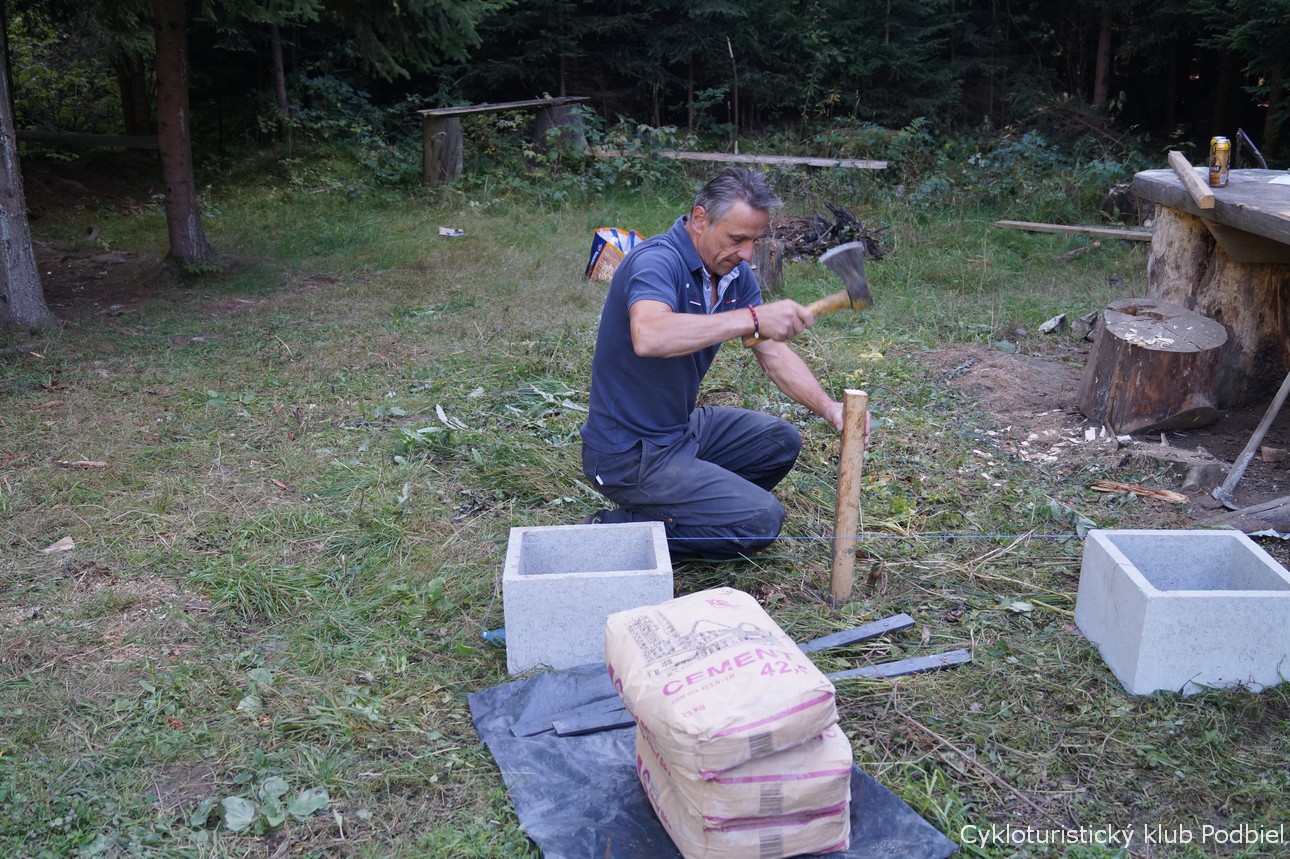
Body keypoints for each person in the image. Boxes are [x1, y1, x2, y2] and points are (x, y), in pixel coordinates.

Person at [579, 167, 869, 560]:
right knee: (760, 521)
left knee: (779, 442)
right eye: (737, 239)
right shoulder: (656, 261)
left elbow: (773, 352)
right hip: (627, 453)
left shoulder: (733, 276)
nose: (747, 254)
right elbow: (650, 335)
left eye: (754, 241)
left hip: (679, 431)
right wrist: (750, 318)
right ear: (700, 219)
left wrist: (830, 408)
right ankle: (614, 530)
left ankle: (693, 508)